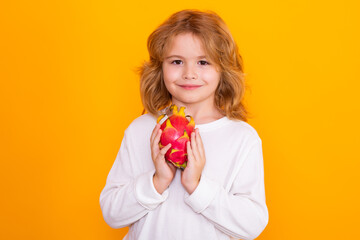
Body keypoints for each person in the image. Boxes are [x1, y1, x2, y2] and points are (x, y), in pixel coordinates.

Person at [100, 9, 269, 240]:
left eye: (203, 62)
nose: (189, 74)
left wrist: (197, 187)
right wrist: (157, 182)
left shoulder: (241, 138)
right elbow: (111, 213)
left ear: (223, 69)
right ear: (160, 67)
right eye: (177, 61)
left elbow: (252, 224)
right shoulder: (141, 129)